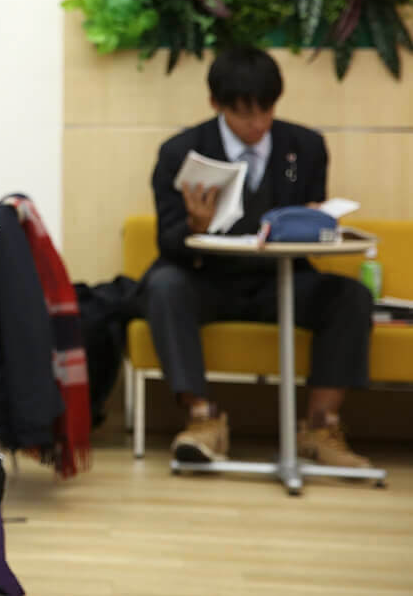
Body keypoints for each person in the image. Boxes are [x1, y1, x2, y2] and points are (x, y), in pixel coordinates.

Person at [146, 46, 373, 468]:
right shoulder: (181, 152)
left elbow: (314, 226)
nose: (258, 124)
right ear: (216, 104)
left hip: (281, 278)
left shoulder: (304, 146)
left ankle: (321, 427)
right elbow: (167, 242)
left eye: (266, 111)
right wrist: (195, 226)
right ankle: (202, 420)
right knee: (163, 285)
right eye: (245, 114)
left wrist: (315, 223)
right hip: (209, 280)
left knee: (350, 296)